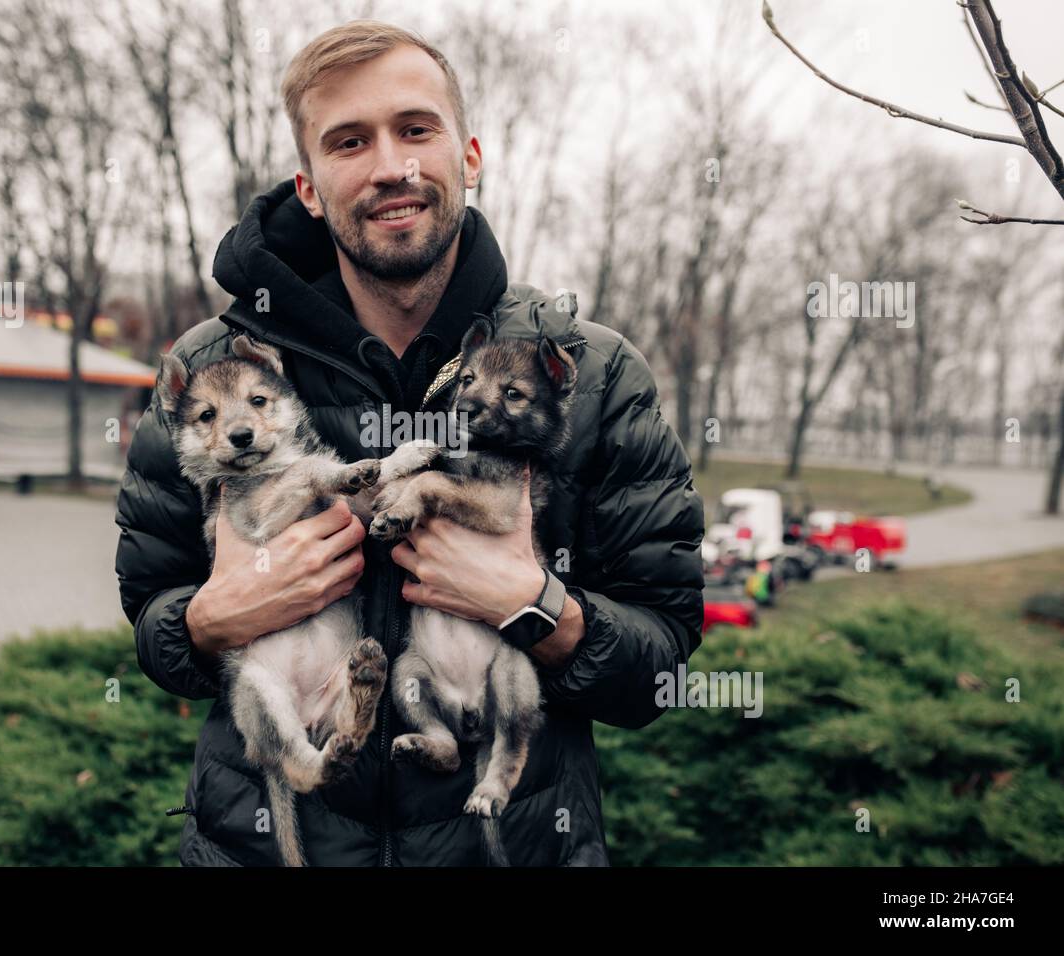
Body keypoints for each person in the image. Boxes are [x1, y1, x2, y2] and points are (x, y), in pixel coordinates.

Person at [114, 20, 705, 867]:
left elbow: (662, 661)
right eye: (349, 141)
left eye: (414, 129)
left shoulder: (590, 373)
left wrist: (539, 605)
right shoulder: (214, 369)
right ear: (310, 186)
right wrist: (210, 621)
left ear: (468, 156)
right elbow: (152, 616)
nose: (390, 165)